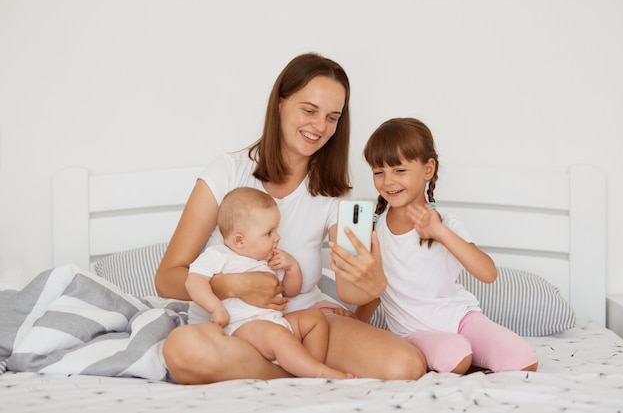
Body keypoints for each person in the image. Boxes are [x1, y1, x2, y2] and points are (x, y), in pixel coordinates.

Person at [155, 53, 427, 384]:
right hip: (230, 329)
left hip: (302, 325)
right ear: (280, 103)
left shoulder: (333, 196)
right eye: (309, 110)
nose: (319, 127)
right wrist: (232, 285)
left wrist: (371, 283)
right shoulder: (227, 172)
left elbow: (351, 290)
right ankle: (295, 374)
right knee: (183, 350)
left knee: (406, 365)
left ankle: (286, 368)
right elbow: (166, 278)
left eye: (332, 117)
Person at [351, 117, 538, 374]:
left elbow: (488, 273)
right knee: (456, 355)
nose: (388, 181)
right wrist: (355, 320)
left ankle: (474, 354)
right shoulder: (375, 231)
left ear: (428, 169)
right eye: (378, 172)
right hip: (414, 332)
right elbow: (376, 289)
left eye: (399, 170)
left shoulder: (447, 223)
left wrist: (439, 232)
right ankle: (466, 357)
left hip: (462, 319)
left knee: (524, 359)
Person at [186, 187, 353, 379]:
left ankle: (307, 368)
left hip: (276, 322)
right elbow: (194, 281)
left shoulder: (267, 260)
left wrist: (292, 268)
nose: (277, 238)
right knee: (276, 336)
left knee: (316, 319)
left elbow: (290, 291)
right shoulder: (219, 255)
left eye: (276, 230)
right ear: (239, 240)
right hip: (242, 328)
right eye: (269, 233)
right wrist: (216, 308)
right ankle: (320, 373)